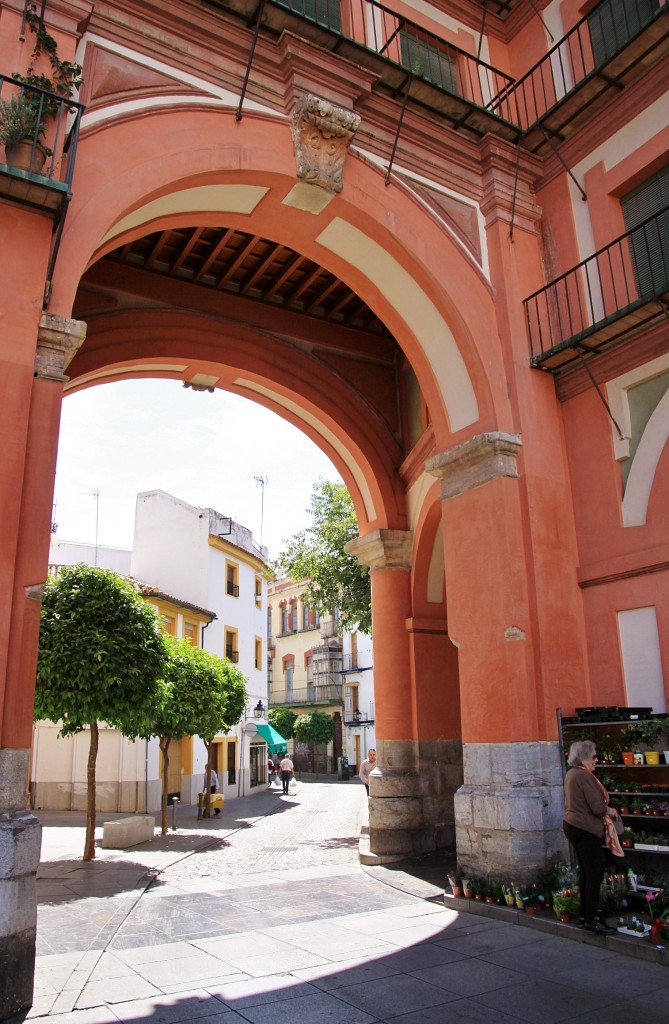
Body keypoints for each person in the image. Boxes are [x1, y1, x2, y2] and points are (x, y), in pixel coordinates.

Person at [563, 740, 619, 935]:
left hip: (574, 826)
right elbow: (596, 807)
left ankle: (585, 915)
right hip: (585, 828)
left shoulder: (572, 774)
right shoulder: (583, 776)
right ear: (584, 756)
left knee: (586, 873)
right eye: (594, 756)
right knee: (594, 873)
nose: (597, 759)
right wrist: (609, 810)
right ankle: (592, 919)